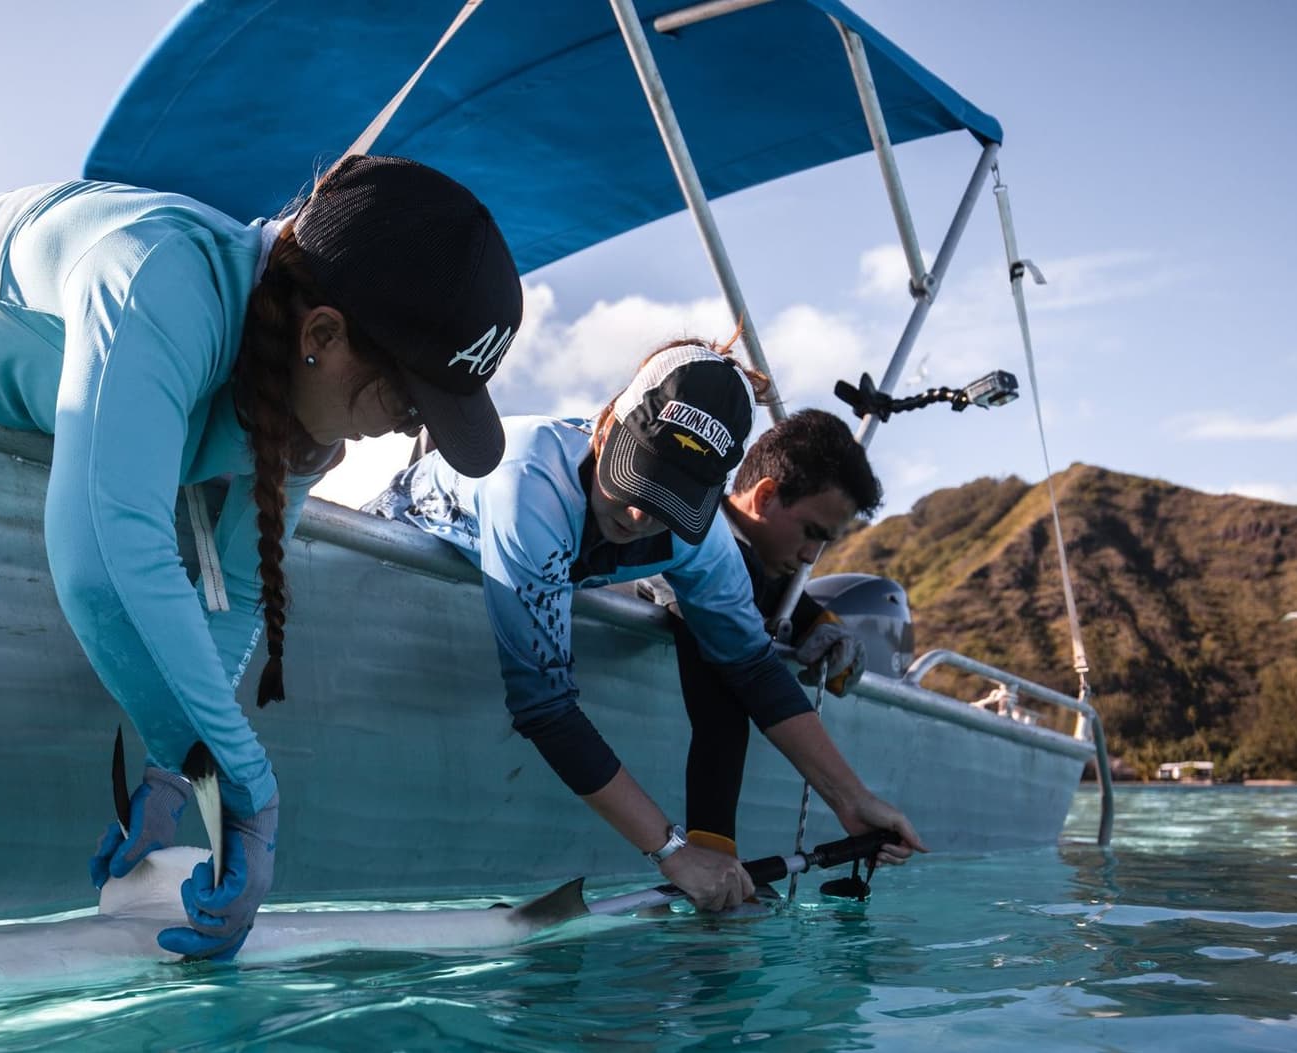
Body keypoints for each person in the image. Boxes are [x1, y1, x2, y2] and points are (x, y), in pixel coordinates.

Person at [0, 155, 523, 959]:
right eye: (408, 400)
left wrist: (175, 768)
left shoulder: (300, 415)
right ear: (323, 334)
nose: (407, 431)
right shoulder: (159, 277)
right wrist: (240, 781)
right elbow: (101, 556)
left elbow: (232, 592)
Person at [366, 338, 923, 911]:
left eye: (672, 498)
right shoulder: (531, 482)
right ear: (605, 427)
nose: (639, 516)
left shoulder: (698, 537)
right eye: (641, 478)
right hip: (376, 577)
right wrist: (674, 853)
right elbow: (543, 706)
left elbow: (750, 666)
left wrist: (851, 799)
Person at [650, 409, 884, 858]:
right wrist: (714, 852)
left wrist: (826, 629)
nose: (811, 555)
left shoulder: (742, 551)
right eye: (812, 533)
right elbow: (725, 691)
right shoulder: (689, 536)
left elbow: (765, 588)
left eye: (825, 543)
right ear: (766, 495)